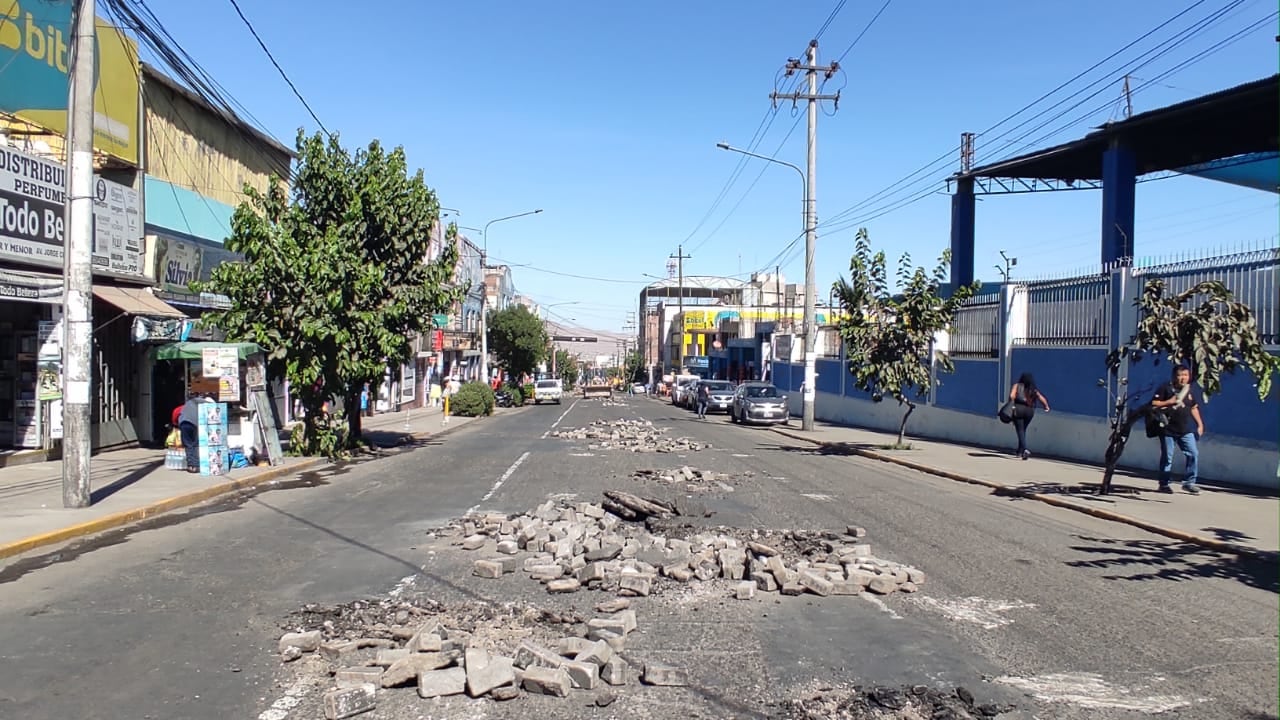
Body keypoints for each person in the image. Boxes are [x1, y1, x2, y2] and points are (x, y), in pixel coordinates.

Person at [1149, 364, 1204, 495]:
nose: (1183, 378)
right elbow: (1154, 404)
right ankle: (1164, 484)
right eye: (1180, 375)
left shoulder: (1188, 390)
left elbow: (1194, 407)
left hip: (1185, 430)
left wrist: (1200, 424)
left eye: (1186, 375)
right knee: (1167, 457)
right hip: (1168, 429)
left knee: (1193, 454)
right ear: (1174, 376)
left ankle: (1189, 483)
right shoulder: (1165, 388)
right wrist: (1169, 402)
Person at [1008, 373, 1050, 460]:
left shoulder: (1017, 386)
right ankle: (1019, 451)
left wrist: (1011, 404)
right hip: (1029, 411)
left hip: (1018, 409)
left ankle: (1024, 450)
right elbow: (1041, 398)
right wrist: (1046, 406)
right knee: (1023, 430)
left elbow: (1012, 396)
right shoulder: (1033, 389)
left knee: (1020, 430)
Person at [177, 391, 213, 473]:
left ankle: (191, 466)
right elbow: (213, 406)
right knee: (195, 444)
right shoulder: (200, 401)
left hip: (183, 424)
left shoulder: (186, 404)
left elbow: (176, 416)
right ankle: (196, 465)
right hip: (194, 424)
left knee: (188, 445)